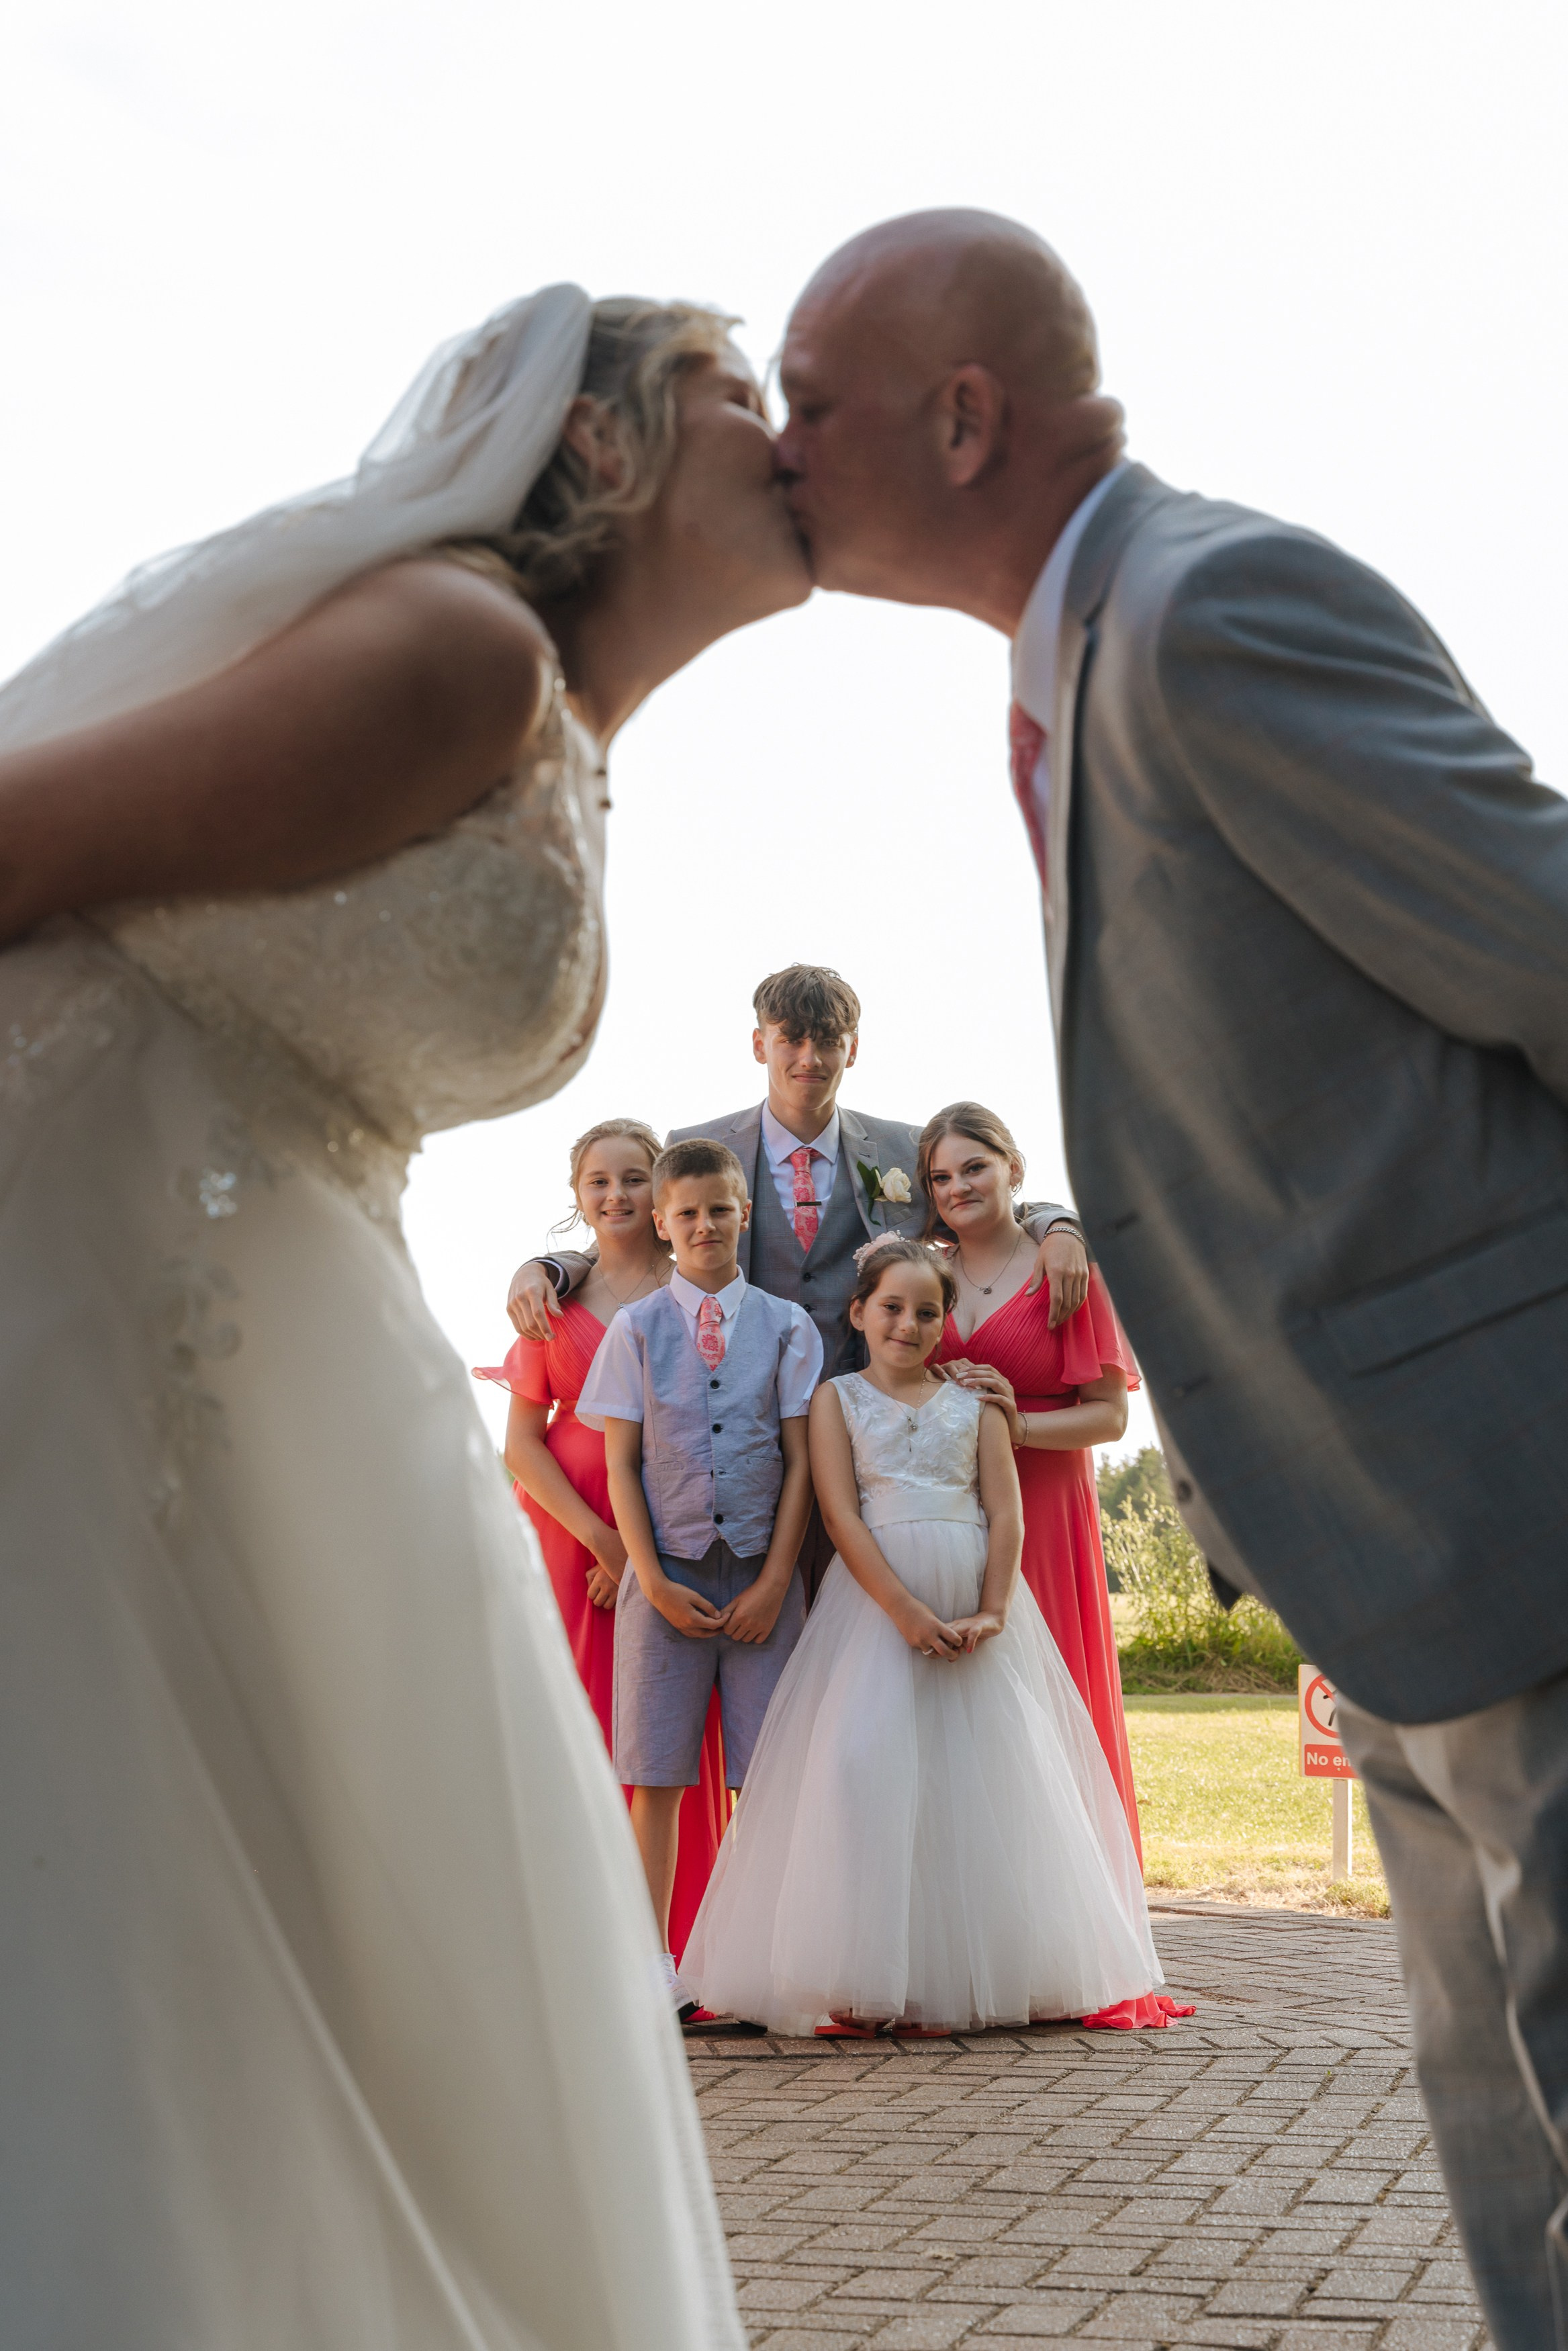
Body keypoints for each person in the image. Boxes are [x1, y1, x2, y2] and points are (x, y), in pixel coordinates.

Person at [776, 207, 1568, 2348]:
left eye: (809, 401)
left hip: (1514, 1498)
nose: (775, 446)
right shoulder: (1081, 659)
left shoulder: (1212, 610)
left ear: (961, 418)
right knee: (1490, 2097)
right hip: (1372, 1540)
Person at [0, 282, 812, 2349]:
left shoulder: (551, 721)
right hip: (111, 1308)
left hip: (286, 1323)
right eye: (738, 391)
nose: (782, 424)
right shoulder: (457, 646)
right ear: (605, 445)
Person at [681, 1237, 1185, 2038]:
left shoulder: (976, 1403)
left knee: (985, 1773)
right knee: (862, 1766)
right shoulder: (836, 1400)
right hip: (876, 1604)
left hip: (973, 1594)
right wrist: (903, 1610)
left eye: (926, 1311)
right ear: (858, 1311)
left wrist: (992, 1608)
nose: (907, 1324)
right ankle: (855, 1972)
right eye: (891, 1307)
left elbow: (1006, 1510)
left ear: (945, 1321)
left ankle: (994, 1967)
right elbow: (840, 1515)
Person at [508, 961, 1090, 1597]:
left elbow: (979, 1208)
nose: (808, 1057)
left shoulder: (901, 1150)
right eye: (790, 1037)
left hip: (879, 1439)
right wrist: (554, 1266)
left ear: (853, 1048)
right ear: (760, 1043)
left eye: (828, 1040)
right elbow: (642, 1245)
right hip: (743, 1442)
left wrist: (1059, 1226)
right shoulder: (698, 1142)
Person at [473, 1117, 729, 1962]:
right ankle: (576, 1949)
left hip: (680, 1528)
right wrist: (599, 1541)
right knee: (579, 1726)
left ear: (661, 1195)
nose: (614, 1195)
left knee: (667, 1733)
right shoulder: (555, 1304)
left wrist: (644, 1548)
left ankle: (677, 1939)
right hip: (568, 1531)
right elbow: (520, 1442)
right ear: (576, 1197)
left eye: (632, 1178)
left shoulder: (696, 1291)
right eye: (598, 1181)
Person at [576, 1138, 821, 2017]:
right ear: (661, 1223)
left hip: (761, 1579)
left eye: (720, 1209)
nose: (705, 1225)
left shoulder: (788, 1328)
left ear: (742, 1214)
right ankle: (652, 1968)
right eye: (686, 1213)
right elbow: (620, 1468)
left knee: (762, 1778)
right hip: (663, 1581)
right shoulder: (633, 1332)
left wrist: (773, 1582)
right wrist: (648, 1577)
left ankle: (756, 1964)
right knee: (657, 1774)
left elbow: (800, 1465)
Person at [921, 1102, 1144, 1852]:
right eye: (941, 1175)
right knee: (965, 1700)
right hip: (949, 1506)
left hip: (1044, 1501)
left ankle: (1076, 1888)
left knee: (1053, 1699)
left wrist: (1017, 1427)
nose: (958, 1186)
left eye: (974, 1166)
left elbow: (1109, 1416)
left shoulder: (1069, 1269)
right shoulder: (925, 1273)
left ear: (1013, 1167)